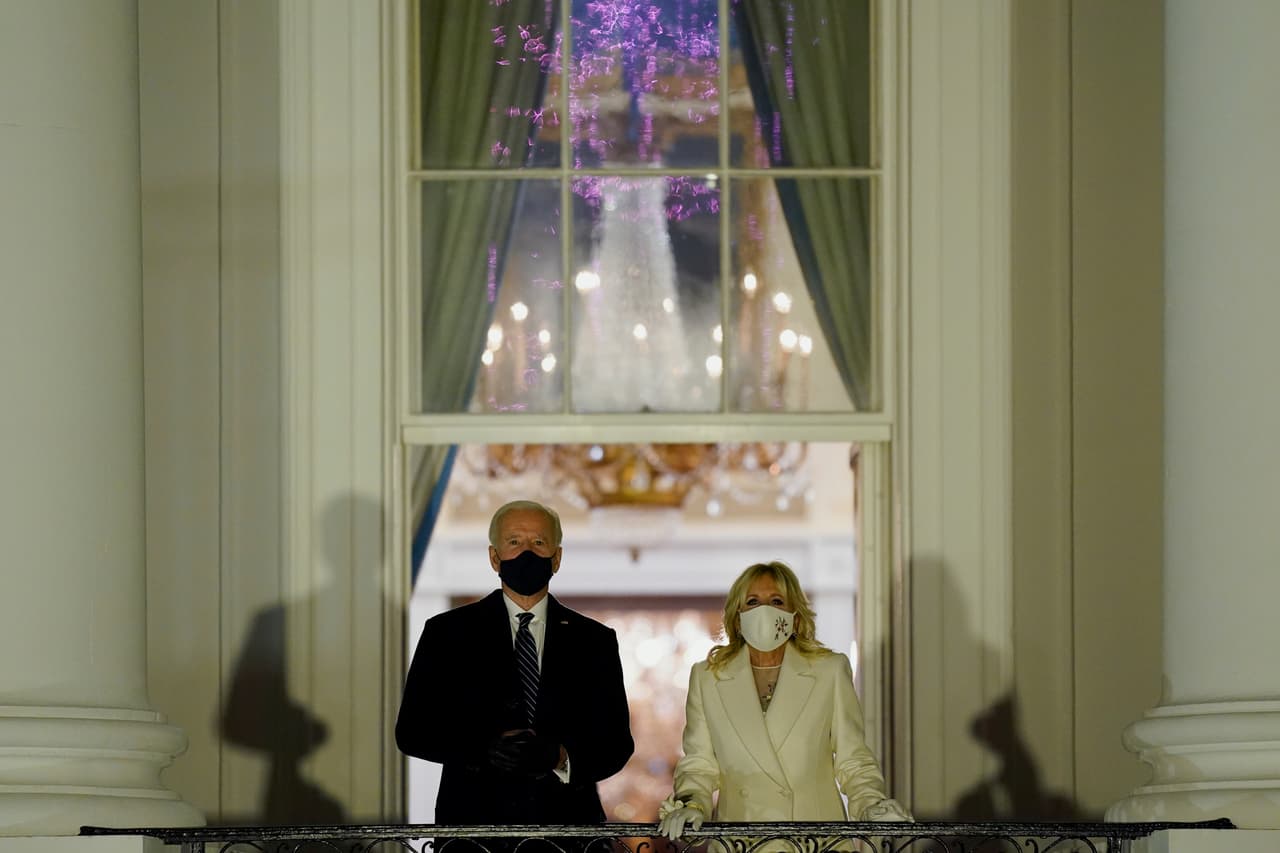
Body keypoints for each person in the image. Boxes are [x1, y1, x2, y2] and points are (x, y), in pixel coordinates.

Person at [396, 500, 634, 827]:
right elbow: (413, 731)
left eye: (538, 543)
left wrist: (559, 757)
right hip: (474, 832)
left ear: (557, 557)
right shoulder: (447, 632)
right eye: (514, 543)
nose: (527, 553)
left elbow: (615, 743)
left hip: (567, 831)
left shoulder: (594, 640)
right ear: (495, 557)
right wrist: (485, 750)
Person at [659, 561, 910, 839]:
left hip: (814, 841)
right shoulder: (708, 678)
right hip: (742, 841)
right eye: (753, 601)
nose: (764, 611)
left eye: (776, 601)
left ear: (795, 616)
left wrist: (871, 805)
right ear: (737, 617)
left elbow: (853, 759)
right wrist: (691, 804)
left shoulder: (829, 670)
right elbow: (699, 764)